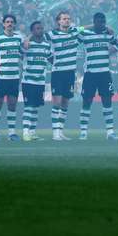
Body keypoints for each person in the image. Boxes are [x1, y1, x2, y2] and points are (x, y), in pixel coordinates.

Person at [78, 13, 118, 141]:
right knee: (86, 102)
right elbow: (75, 30)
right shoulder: (85, 34)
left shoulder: (107, 34)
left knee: (107, 102)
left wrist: (110, 49)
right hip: (90, 73)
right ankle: (83, 132)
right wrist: (91, 26)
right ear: (94, 22)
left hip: (105, 73)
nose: (101, 23)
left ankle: (110, 132)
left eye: (103, 21)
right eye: (99, 21)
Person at [47, 11, 80, 141]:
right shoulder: (52, 34)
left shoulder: (75, 32)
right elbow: (37, 37)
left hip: (70, 73)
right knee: (57, 103)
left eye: (68, 18)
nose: (67, 20)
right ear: (58, 21)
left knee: (65, 103)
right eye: (64, 19)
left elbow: (87, 27)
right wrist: (27, 39)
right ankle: (55, 133)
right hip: (58, 73)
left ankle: (60, 131)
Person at [0, 14, 22, 141]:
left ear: (14, 24)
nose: (9, 24)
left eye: (11, 22)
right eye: (7, 22)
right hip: (1, 77)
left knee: (12, 104)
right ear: (3, 24)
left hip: (14, 77)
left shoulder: (19, 38)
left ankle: (11, 133)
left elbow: (23, 52)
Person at [20, 21, 51, 141]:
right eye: (37, 28)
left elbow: (50, 58)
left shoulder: (46, 45)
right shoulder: (28, 44)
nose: (40, 30)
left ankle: (32, 132)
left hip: (40, 81)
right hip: (28, 81)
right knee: (29, 106)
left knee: (36, 107)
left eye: (41, 28)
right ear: (32, 31)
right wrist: (28, 38)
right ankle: (25, 132)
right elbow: (21, 50)